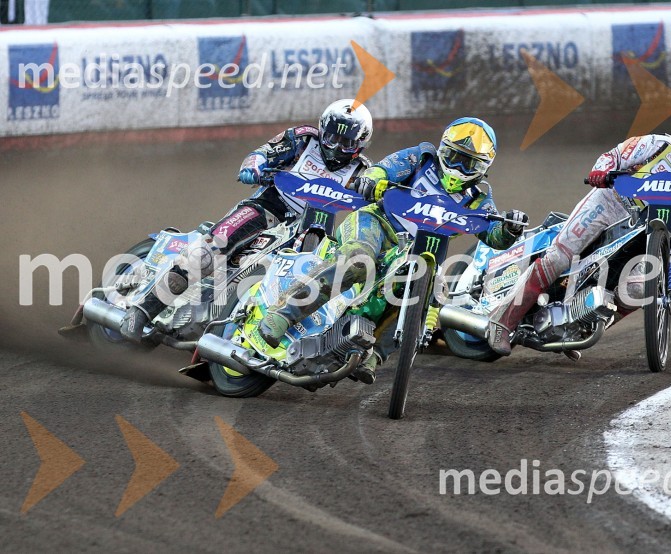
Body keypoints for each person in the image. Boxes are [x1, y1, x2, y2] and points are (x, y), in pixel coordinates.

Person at [257, 117, 529, 383]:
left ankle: (372, 356)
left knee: (432, 296)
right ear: (442, 147)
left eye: (468, 162)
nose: (457, 166)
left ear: (483, 166)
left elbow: (494, 235)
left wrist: (510, 228)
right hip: (376, 222)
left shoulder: (479, 198)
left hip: (417, 252)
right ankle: (282, 315)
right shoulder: (422, 158)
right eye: (453, 155)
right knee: (359, 262)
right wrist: (373, 178)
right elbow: (386, 168)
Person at [486, 112, 671, 355]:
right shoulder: (657, 144)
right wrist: (600, 171)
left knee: (639, 289)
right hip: (609, 203)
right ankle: (502, 323)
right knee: (559, 257)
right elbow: (614, 155)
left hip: (645, 229)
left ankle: (579, 327)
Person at [119, 99, 373, 341]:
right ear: (322, 129)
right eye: (332, 138)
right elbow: (262, 153)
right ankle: (142, 310)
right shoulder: (304, 139)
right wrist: (253, 167)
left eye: (345, 143)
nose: (336, 147)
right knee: (211, 249)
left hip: (310, 228)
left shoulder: (364, 172)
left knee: (319, 275)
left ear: (360, 144)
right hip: (268, 208)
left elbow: (376, 203)